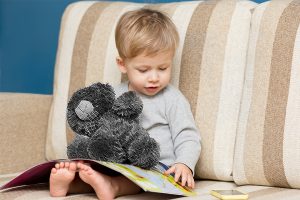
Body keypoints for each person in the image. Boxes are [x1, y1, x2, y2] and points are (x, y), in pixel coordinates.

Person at [49, 8, 201, 200]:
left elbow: (187, 135)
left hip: (157, 167)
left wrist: (184, 164)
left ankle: (113, 187)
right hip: (117, 162)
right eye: (144, 70)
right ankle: (68, 185)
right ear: (122, 64)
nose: (154, 77)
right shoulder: (112, 95)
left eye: (163, 68)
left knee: (135, 178)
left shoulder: (172, 98)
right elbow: (94, 127)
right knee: (93, 171)